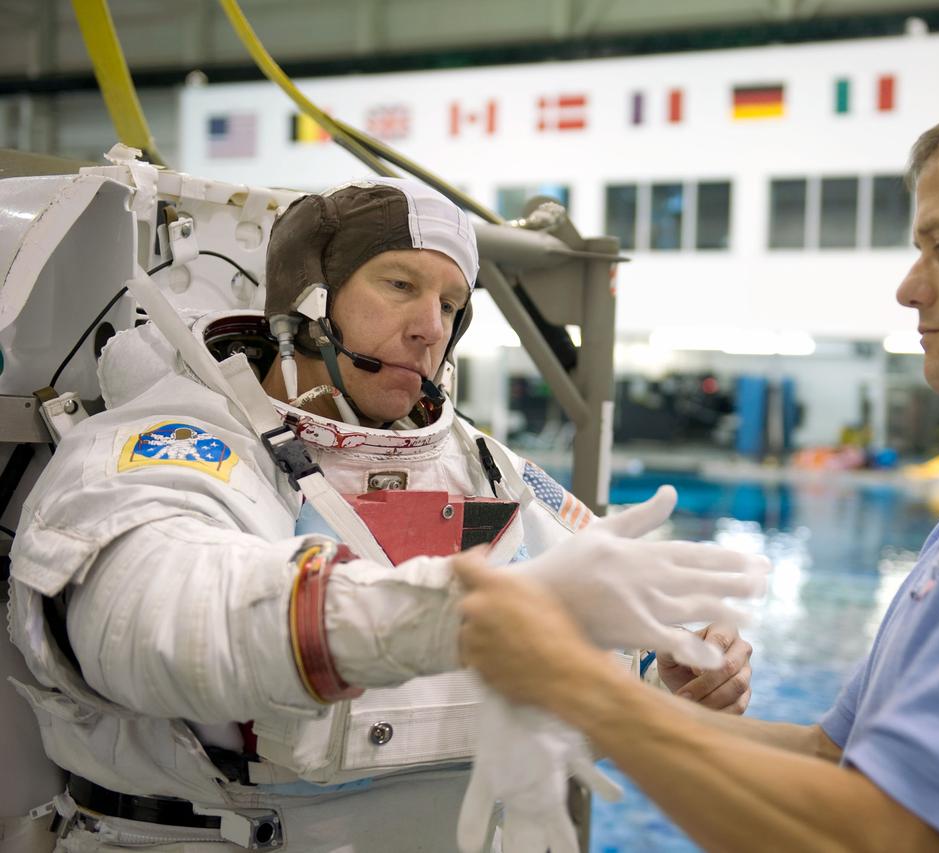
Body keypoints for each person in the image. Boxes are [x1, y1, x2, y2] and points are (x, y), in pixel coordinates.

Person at [455, 90, 939, 853]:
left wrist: (575, 683)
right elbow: (834, 762)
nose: (910, 285)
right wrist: (621, 696)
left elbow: (889, 839)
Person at [5, 177, 761, 851]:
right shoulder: (171, 445)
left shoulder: (485, 465)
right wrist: (437, 617)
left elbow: (603, 622)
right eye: (400, 284)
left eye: (451, 304)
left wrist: (674, 670)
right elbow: (158, 613)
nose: (431, 325)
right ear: (306, 297)